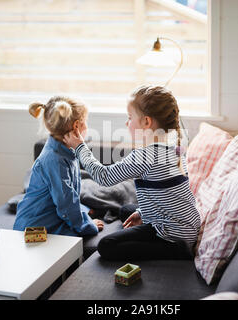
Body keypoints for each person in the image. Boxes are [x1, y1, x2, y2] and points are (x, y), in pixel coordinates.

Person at [64, 85, 200, 260]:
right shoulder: (174, 148)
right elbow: (168, 196)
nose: (126, 123)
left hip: (173, 236)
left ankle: (173, 251)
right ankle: (152, 224)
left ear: (146, 122)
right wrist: (143, 214)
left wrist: (79, 147)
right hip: (186, 225)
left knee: (106, 246)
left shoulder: (146, 155)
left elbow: (103, 177)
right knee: (126, 210)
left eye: (129, 118)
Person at [13, 96, 104, 236]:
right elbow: (66, 204)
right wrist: (87, 225)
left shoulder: (65, 150)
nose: (87, 126)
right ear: (76, 127)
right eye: (85, 122)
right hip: (36, 228)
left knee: (82, 210)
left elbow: (68, 194)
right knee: (78, 239)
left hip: (52, 216)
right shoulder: (55, 160)